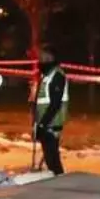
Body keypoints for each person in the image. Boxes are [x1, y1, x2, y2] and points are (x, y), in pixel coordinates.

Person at [32, 45, 69, 175]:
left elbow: (55, 104)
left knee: (52, 158)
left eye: (42, 56)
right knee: (49, 157)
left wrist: (43, 124)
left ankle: (60, 181)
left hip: (52, 123)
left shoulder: (57, 75)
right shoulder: (46, 75)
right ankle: (57, 180)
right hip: (45, 122)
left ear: (50, 57)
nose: (40, 59)